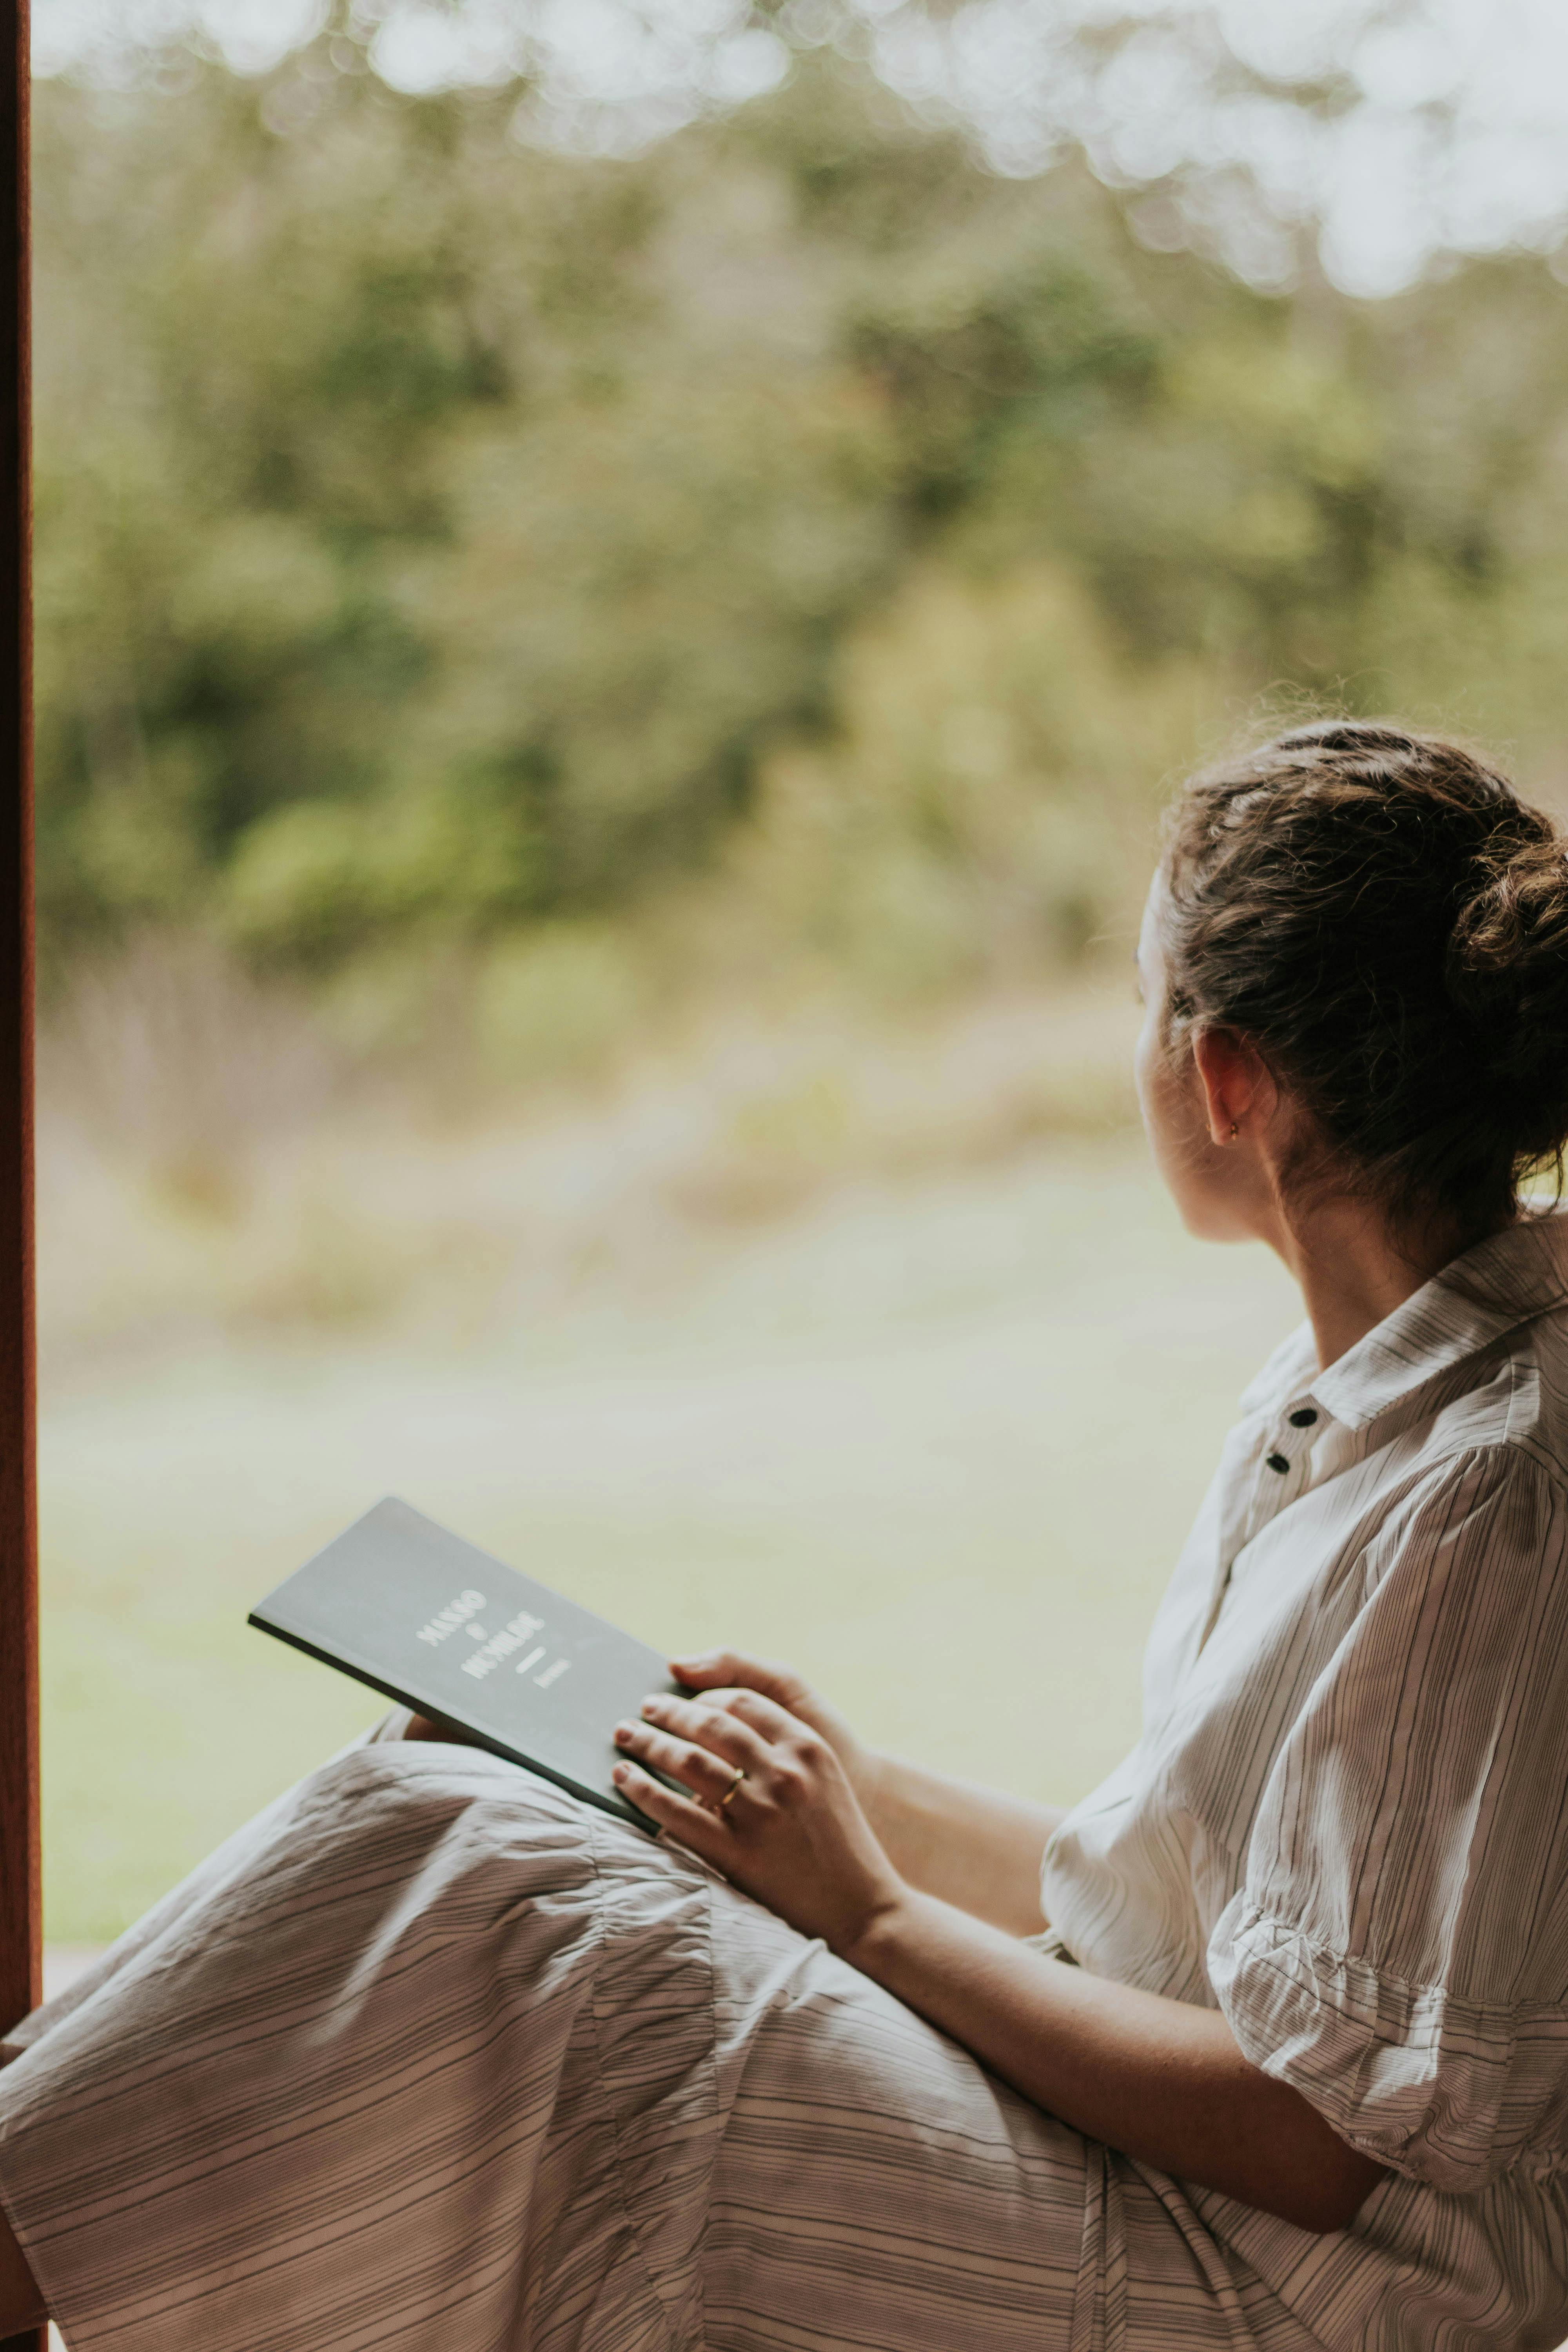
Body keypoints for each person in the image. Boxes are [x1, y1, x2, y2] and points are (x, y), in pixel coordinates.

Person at [5, 717, 1568, 2352]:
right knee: (462, 1788)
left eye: (1142, 1001)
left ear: (1223, 1077)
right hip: (1190, 2180)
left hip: (1268, 2285)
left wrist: (868, 1909)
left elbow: (1318, 2143)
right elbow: (1206, 1913)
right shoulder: (1352, 1398)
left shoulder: (1491, 1489)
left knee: (483, 1882)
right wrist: (847, 1788)